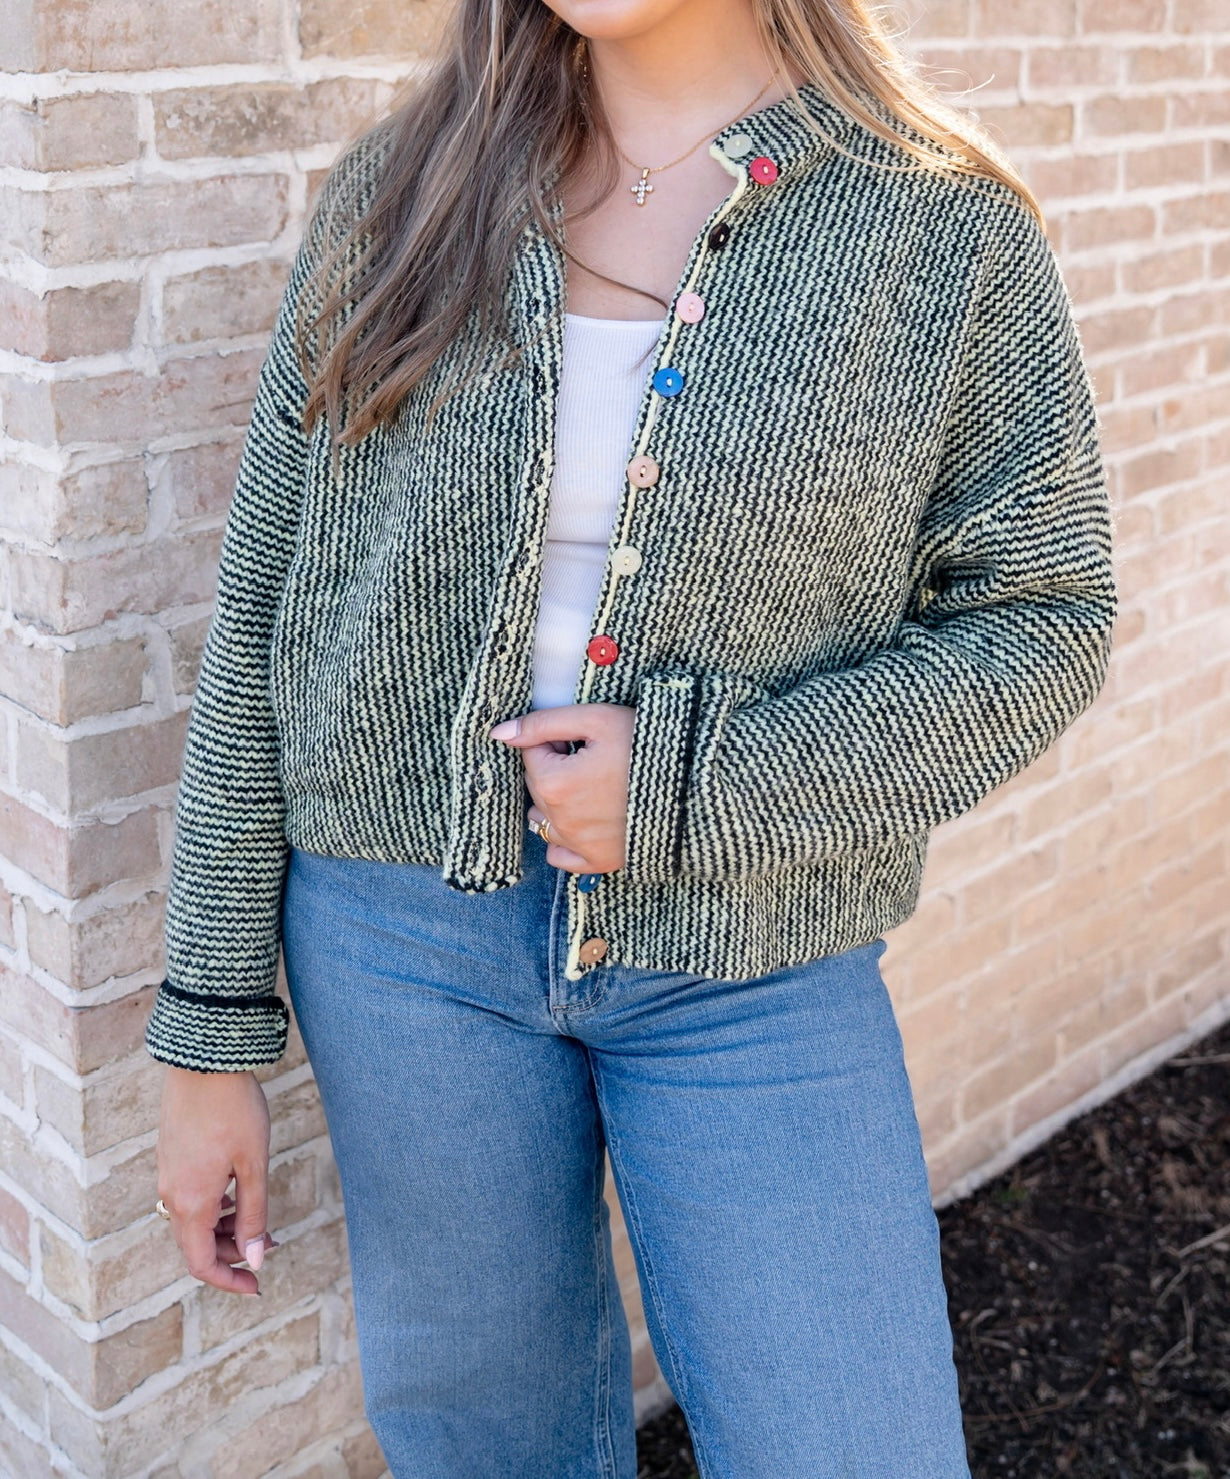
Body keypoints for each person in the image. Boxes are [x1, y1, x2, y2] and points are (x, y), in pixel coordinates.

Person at [146, 0, 1117, 1474]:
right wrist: (207, 1033)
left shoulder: (940, 232)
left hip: (752, 962)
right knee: (487, 1449)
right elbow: (269, 611)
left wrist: (694, 787)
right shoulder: (403, 194)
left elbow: (1039, 614)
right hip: (402, 955)